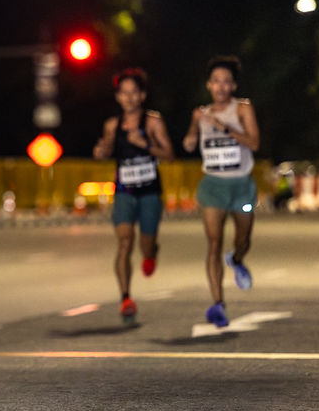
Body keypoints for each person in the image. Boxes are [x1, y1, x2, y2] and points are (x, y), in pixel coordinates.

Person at [182, 55, 259, 328]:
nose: (221, 86)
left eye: (227, 81)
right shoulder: (200, 114)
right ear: (209, 85)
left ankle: (237, 259)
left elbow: (254, 142)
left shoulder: (243, 109)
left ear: (234, 86)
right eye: (216, 81)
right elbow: (190, 143)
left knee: (243, 240)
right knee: (213, 242)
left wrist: (224, 127)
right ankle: (218, 304)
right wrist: (193, 131)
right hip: (213, 185)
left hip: (241, 186)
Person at [93, 68, 174, 323]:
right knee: (124, 242)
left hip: (149, 191)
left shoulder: (152, 122)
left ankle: (151, 253)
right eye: (124, 93)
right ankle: (125, 297)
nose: (129, 98)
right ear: (118, 97)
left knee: (144, 245)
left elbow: (169, 155)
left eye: (134, 93)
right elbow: (103, 151)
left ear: (142, 95)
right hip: (124, 191)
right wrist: (101, 151)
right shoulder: (112, 125)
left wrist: (146, 145)